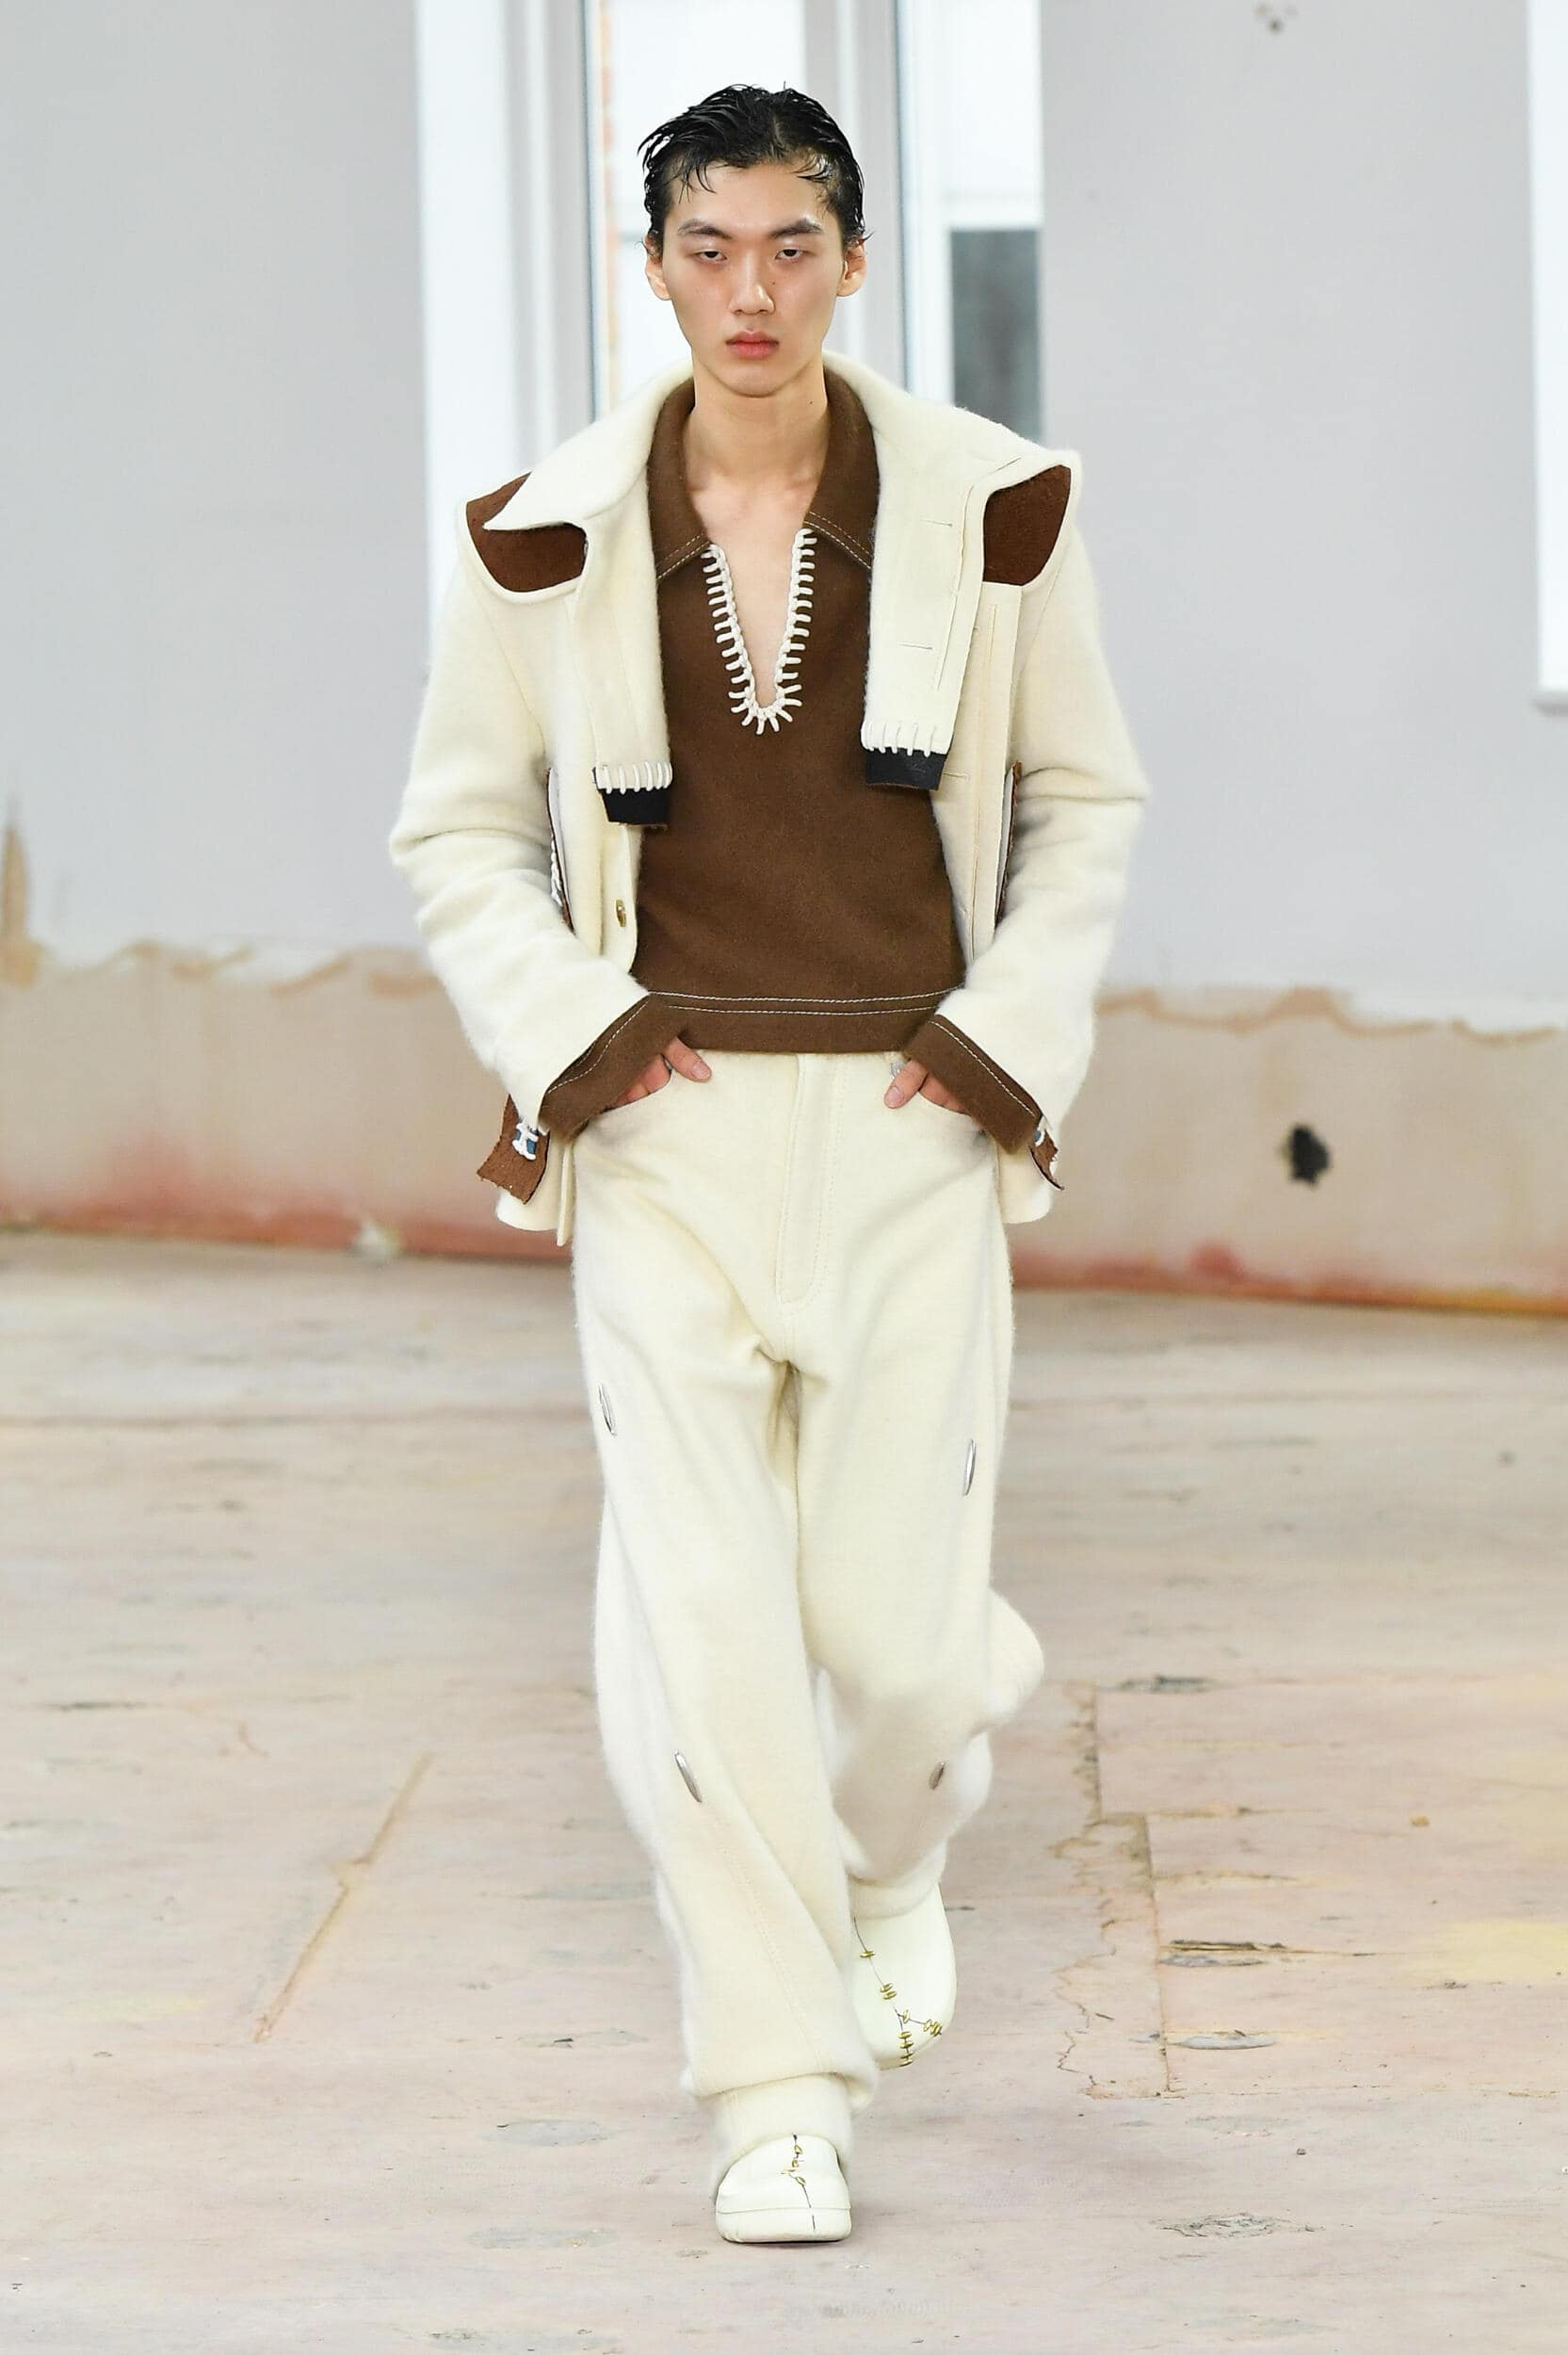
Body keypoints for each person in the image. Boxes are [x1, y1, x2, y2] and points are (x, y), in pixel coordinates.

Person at [388, 82, 1150, 2246]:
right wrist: (581, 1039)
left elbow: (1084, 800)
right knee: (703, 1626)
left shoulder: (994, 511)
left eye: (789, 245)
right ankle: (775, 2090)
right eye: (707, 247)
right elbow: (454, 829)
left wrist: (997, 1046)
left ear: (848, 261)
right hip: (664, 1131)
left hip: (911, 1125)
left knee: (899, 1650)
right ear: (652, 269)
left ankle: (894, 1849)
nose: (749, 290)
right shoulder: (538, 538)